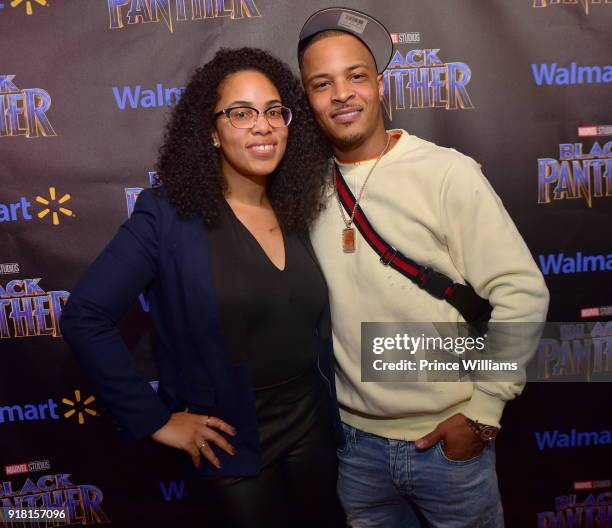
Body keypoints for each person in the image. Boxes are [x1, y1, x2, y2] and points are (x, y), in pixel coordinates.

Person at [60, 47, 345, 528]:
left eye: (275, 111)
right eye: (241, 113)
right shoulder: (166, 215)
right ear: (211, 132)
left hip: (314, 424)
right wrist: (153, 419)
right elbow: (84, 316)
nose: (263, 125)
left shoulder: (299, 208)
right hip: (230, 441)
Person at [297, 8, 550, 528]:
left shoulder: (445, 173)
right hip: (354, 449)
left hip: (446, 448)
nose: (341, 94)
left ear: (381, 87)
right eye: (322, 84)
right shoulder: (305, 189)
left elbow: (522, 293)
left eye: (356, 76)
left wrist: (483, 412)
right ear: (308, 100)